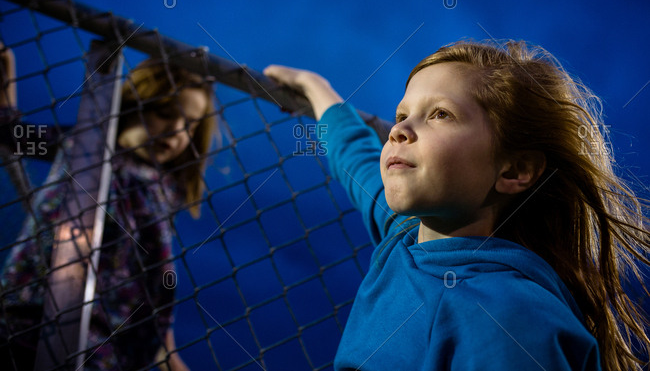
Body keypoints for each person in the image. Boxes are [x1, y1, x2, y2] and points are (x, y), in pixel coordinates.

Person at [264, 40, 650, 371]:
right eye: (402, 115)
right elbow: (356, 158)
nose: (398, 130)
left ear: (515, 169)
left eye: (440, 114)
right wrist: (318, 91)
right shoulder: (406, 239)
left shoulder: (511, 319)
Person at [0, 41, 217, 370]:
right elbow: (13, 136)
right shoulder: (82, 145)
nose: (175, 131)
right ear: (136, 104)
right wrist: (8, 70)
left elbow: (153, 284)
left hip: (102, 343)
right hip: (28, 309)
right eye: (163, 112)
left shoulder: (163, 193)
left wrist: (171, 359)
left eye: (189, 124)